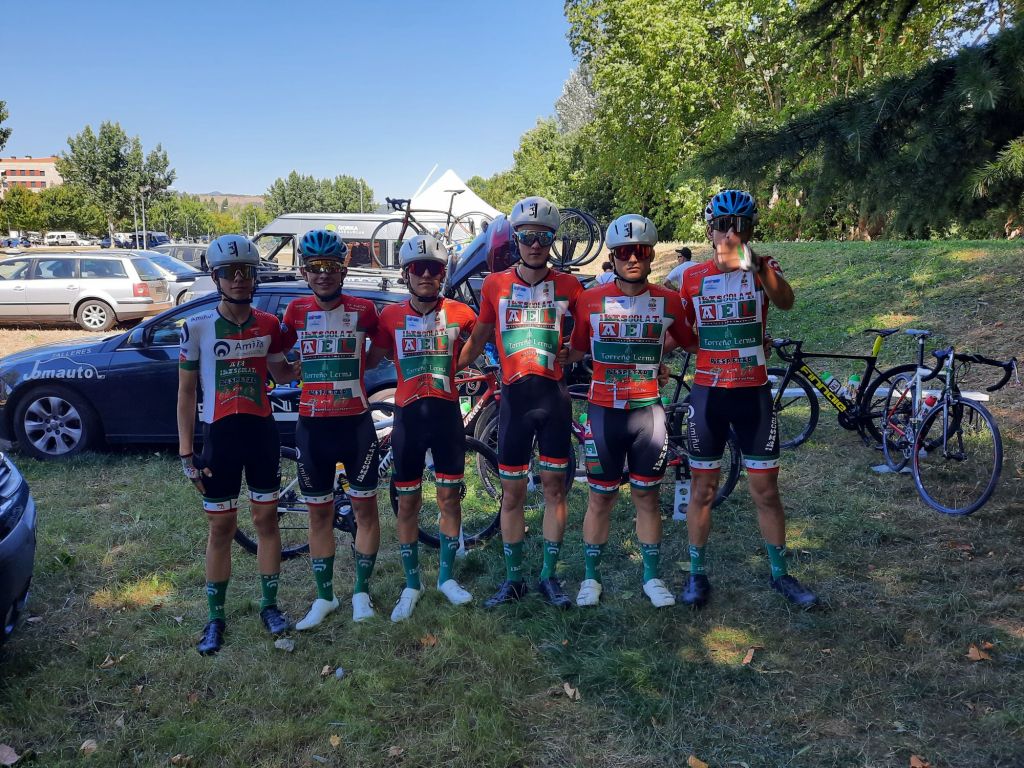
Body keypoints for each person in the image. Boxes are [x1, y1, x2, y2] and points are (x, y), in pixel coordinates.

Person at [678, 189, 817, 609]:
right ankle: (696, 574)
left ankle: (781, 574)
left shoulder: (763, 267)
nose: (731, 233)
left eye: (740, 225)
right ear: (709, 230)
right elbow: (682, 334)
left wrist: (754, 262)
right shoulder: (691, 276)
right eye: (723, 225)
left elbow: (786, 301)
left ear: (751, 230)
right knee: (703, 490)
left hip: (752, 393)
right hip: (708, 395)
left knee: (766, 491)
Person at [457, 195, 583, 610]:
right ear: (515, 239)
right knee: (511, 494)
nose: (535, 245)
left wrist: (574, 354)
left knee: (554, 491)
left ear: (553, 241)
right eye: (527, 237)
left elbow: (591, 335)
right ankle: (513, 581)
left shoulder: (570, 286)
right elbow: (478, 338)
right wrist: (447, 369)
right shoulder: (495, 284)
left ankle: (549, 577)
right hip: (514, 401)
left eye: (543, 238)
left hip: (553, 399)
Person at [565, 214, 696, 608]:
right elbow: (576, 349)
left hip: (647, 415)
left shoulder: (669, 300)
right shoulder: (588, 300)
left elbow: (690, 341)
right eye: (624, 252)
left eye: (639, 250)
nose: (632, 258)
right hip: (603, 413)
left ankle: (652, 578)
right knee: (600, 499)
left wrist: (659, 358)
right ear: (613, 257)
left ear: (651, 254)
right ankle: (591, 578)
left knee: (647, 498)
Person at [177, 234, 296, 655]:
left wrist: (322, 356)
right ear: (216, 278)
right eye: (230, 273)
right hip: (220, 437)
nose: (240, 279)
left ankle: (270, 605)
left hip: (261, 433)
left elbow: (282, 374)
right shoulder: (197, 326)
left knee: (266, 521)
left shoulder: (269, 324)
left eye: (247, 271)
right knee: (221, 528)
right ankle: (215, 617)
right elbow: (186, 393)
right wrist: (186, 453)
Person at [368, 234, 478, 621]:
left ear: (443, 273)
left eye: (434, 268)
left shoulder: (462, 312)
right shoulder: (389, 316)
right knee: (408, 503)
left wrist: (459, 363)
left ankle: (446, 578)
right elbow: (372, 358)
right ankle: (412, 583)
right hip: (409, 419)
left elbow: (480, 340)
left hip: (446, 416)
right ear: (406, 274)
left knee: (449, 499)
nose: (427, 275)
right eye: (418, 268)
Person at [280, 229, 382, 628]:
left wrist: (356, 366)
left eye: (331, 266)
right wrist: (287, 371)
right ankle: (325, 597)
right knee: (318, 516)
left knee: (365, 511)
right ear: (304, 272)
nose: (323, 273)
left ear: (343, 270)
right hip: (312, 428)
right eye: (314, 266)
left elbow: (380, 351)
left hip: (355, 424)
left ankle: (360, 593)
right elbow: (274, 354)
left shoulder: (365, 309)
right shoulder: (294, 311)